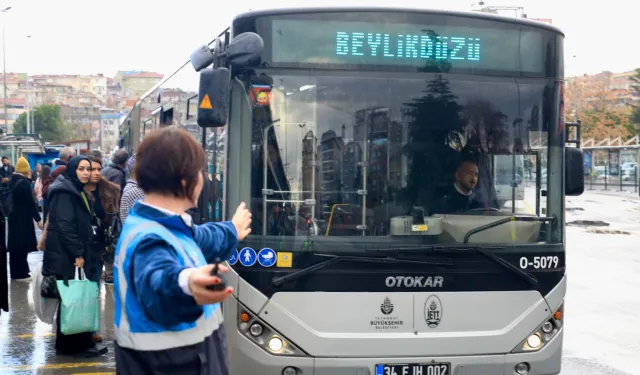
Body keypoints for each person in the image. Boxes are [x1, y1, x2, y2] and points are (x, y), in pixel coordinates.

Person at [114, 127, 251, 374]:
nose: (205, 179)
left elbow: (204, 237)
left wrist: (233, 229)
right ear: (185, 178)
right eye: (201, 171)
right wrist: (187, 284)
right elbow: (159, 280)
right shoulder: (149, 238)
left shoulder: (165, 226)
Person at [41, 155, 107, 357]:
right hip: (66, 255)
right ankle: (72, 347)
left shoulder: (76, 189)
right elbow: (65, 226)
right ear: (72, 170)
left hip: (71, 253)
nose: (87, 172)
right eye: (82, 169)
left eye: (89, 169)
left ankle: (81, 344)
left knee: (75, 299)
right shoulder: (65, 192)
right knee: (71, 300)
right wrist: (77, 253)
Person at [7, 157, 43, 281]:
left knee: (15, 246)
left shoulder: (12, 181)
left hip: (13, 216)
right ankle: (22, 273)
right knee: (22, 245)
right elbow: (30, 203)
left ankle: (15, 272)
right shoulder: (24, 183)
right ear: (25, 170)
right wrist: (38, 219)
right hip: (23, 217)